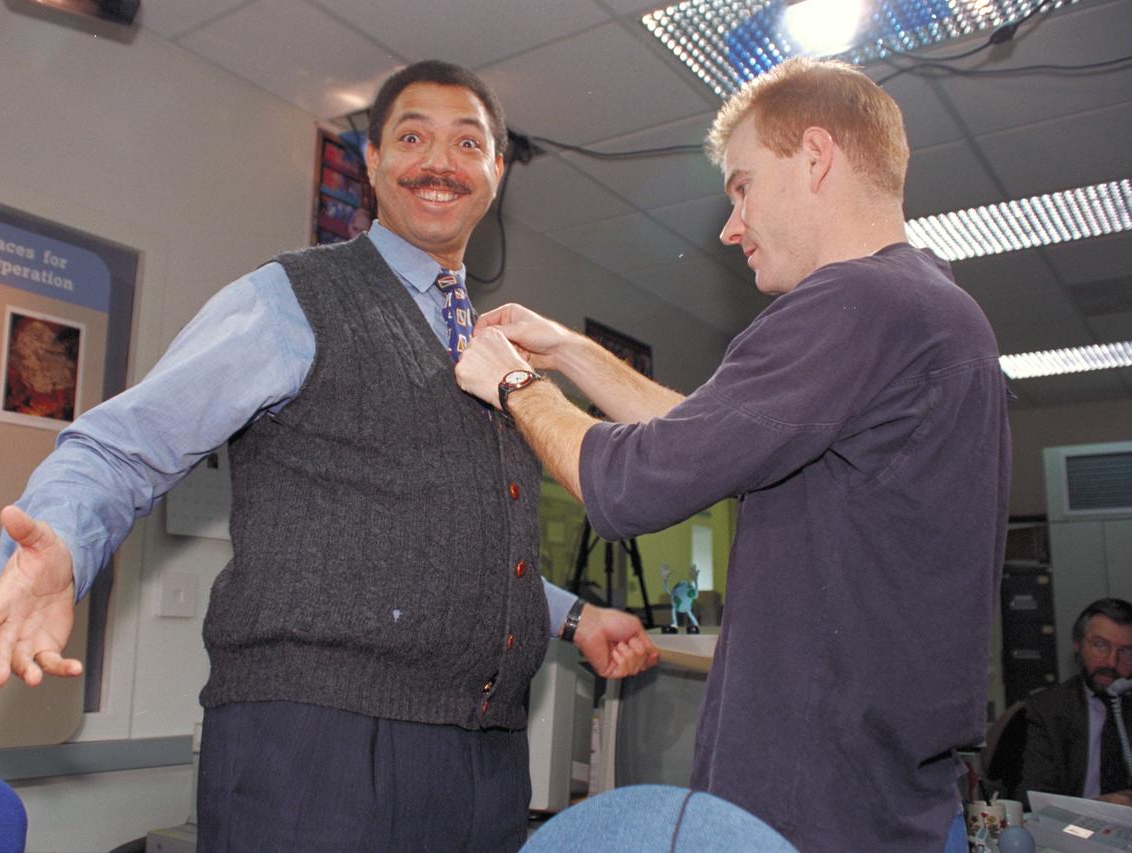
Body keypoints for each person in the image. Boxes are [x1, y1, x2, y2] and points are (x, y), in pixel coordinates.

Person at [0, 60, 658, 852]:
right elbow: (126, 445)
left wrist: (576, 616)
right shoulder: (291, 299)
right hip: (317, 752)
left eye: (468, 142)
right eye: (411, 136)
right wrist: (62, 538)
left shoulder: (495, 344)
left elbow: (460, 543)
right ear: (371, 163)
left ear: (496, 171)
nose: (439, 160)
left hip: (484, 764)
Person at [454, 56, 1011, 851]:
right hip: (883, 796)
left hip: (815, 804)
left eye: (742, 185)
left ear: (814, 157)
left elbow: (629, 484)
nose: (730, 224)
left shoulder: (859, 300)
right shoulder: (926, 314)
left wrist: (511, 382)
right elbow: (707, 438)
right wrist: (570, 354)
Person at [1018, 598, 1132, 806]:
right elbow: (1034, 798)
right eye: (1100, 645)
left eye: (1126, 651)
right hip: (1073, 830)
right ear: (1078, 645)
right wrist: (1097, 807)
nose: (1111, 661)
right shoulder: (1049, 708)